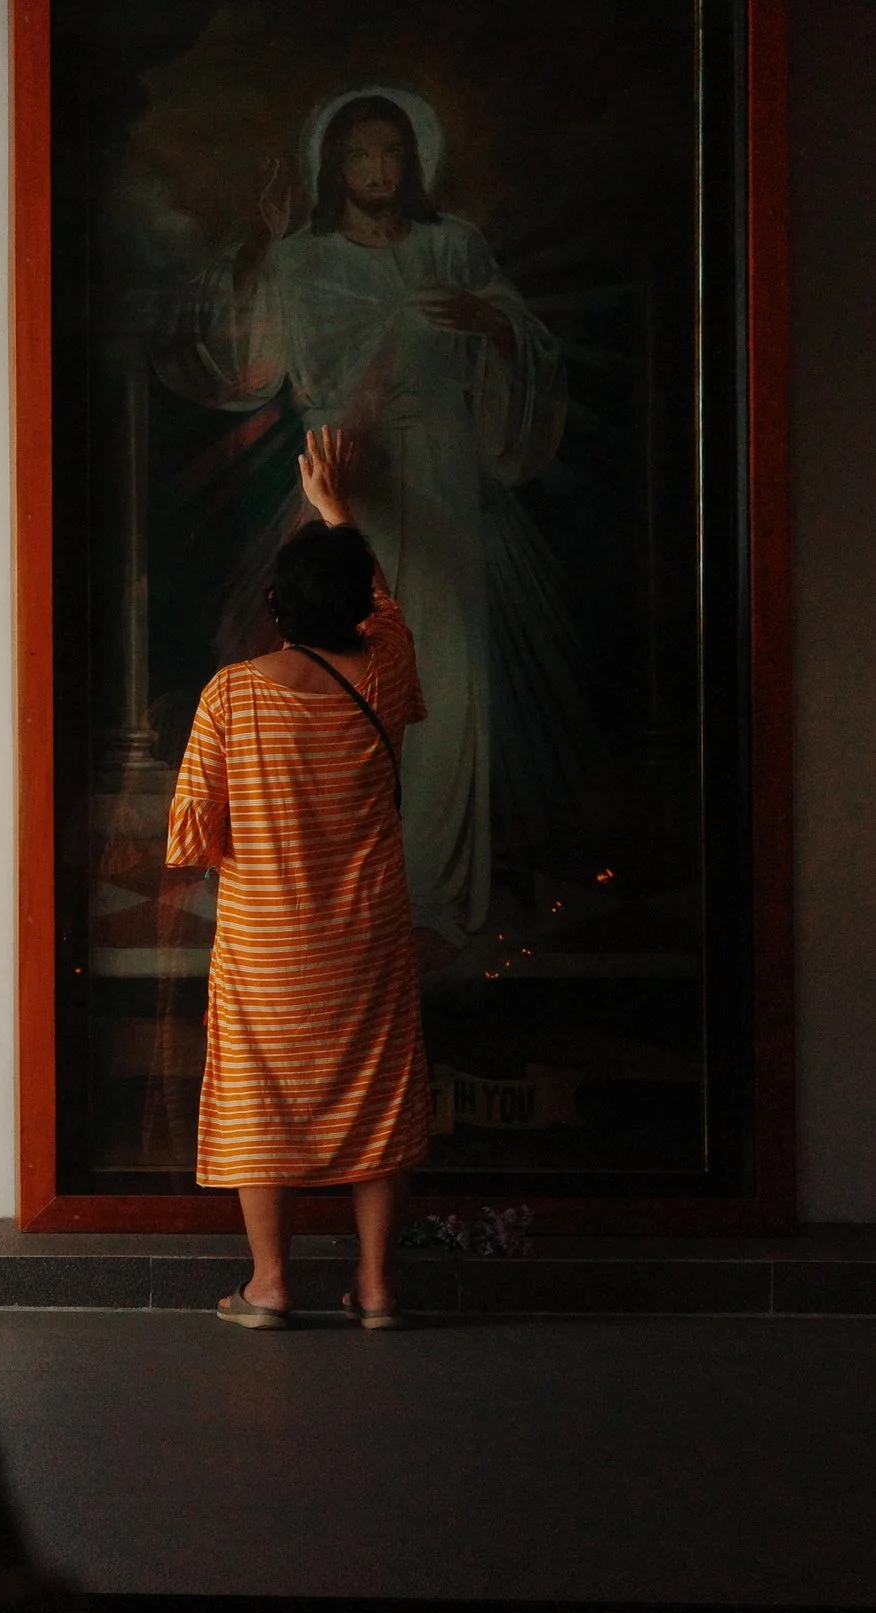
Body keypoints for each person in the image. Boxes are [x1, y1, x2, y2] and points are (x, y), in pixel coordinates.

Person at [157, 86, 577, 949]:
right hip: (348, 480)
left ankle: (430, 893)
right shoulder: (300, 257)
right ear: (332, 167)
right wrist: (261, 245)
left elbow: (528, 347)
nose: (377, 170)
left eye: (391, 153)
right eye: (358, 155)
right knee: (344, 678)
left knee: (446, 681)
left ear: (413, 161)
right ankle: (343, 893)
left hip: (445, 479)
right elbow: (243, 364)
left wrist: (497, 329)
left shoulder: (453, 246)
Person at [167, 426, 431, 1329]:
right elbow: (387, 616)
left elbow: (192, 836)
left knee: (260, 1094)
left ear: (275, 605)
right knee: (378, 1096)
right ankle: (378, 1287)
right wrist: (339, 512)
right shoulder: (386, 670)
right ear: (357, 604)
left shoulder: (230, 694)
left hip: (267, 942)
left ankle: (272, 1284)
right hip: (369, 936)